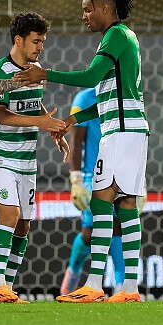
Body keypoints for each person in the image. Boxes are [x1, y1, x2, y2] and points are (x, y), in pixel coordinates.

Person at [14, 0, 148, 303]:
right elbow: (106, 96)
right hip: (129, 130)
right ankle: (128, 288)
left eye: (88, 9)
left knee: (102, 204)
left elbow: (89, 79)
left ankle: (95, 285)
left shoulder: (116, 35)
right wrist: (74, 119)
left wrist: (43, 74)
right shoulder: (120, 39)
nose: (84, 15)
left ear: (105, 8)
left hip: (122, 132)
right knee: (124, 206)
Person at [0, 12, 69, 303]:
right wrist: (39, 123)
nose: (40, 47)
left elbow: (34, 105)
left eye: (42, 41)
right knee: (10, 215)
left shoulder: (37, 70)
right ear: (18, 40)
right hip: (0, 157)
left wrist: (52, 126)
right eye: (36, 41)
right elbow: (2, 115)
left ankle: (7, 285)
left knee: (24, 224)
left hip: (27, 159)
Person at [61, 88, 125, 295]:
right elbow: (76, 140)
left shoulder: (123, 95)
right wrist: (76, 179)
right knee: (90, 234)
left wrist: (139, 180)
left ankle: (121, 286)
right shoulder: (85, 98)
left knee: (117, 227)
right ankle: (73, 272)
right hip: (93, 175)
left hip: (121, 172)